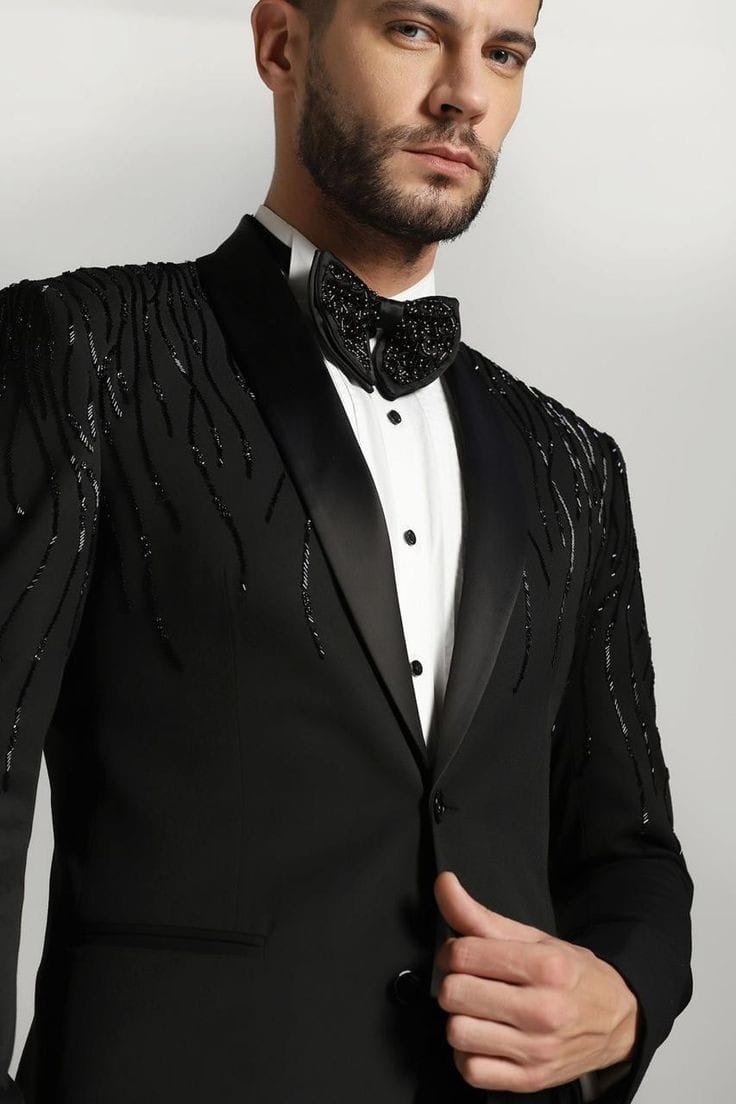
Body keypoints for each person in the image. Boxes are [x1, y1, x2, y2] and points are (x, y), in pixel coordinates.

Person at [0, 1, 693, 1101]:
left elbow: (632, 851)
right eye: (414, 29)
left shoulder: (574, 463)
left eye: (504, 52)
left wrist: (624, 1001)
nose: (466, 92)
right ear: (282, 45)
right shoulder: (83, 351)